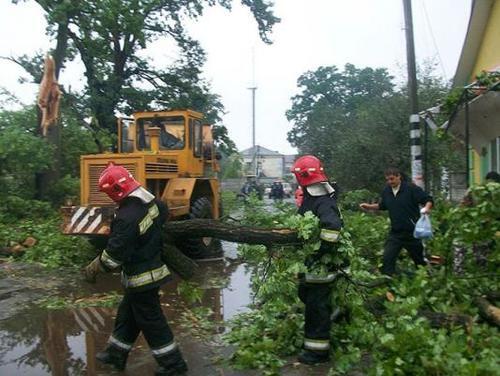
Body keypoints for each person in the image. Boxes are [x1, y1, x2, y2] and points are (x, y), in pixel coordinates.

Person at [83, 163, 188, 376]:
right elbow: (161, 214)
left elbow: (113, 258)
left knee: (151, 320)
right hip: (146, 270)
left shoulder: (126, 217)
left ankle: (174, 365)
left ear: (114, 191)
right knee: (128, 315)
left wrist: (95, 267)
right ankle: (116, 354)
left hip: (143, 278)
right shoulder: (153, 203)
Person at [291, 155, 344, 365]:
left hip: (321, 266)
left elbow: (331, 229)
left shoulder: (322, 201)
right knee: (306, 295)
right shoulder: (314, 197)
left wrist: (319, 253)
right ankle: (337, 314)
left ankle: (318, 352)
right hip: (313, 265)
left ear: (303, 176)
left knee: (316, 307)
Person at [359, 167, 433, 276]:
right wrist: (368, 206)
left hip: (412, 233)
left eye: (392, 179)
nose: (390, 182)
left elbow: (428, 199)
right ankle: (389, 282)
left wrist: (426, 208)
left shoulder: (410, 188)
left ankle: (426, 279)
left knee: (419, 262)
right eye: (387, 180)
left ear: (399, 176)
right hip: (396, 233)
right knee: (387, 259)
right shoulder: (387, 191)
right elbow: (382, 206)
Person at [453, 171, 500, 274]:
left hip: (482, 227)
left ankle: (478, 274)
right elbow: (462, 206)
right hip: (471, 225)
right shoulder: (476, 191)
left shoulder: (494, 194)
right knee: (466, 249)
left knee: (480, 252)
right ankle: (463, 274)